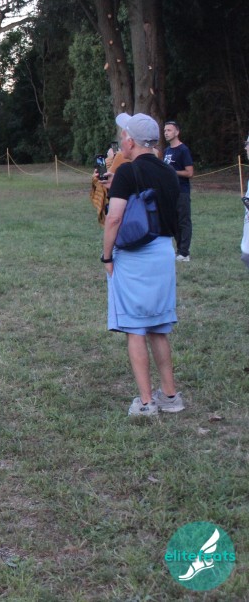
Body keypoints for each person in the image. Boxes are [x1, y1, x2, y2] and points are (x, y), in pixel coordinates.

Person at [100, 112, 184, 417]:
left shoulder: (127, 172)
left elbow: (114, 218)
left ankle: (146, 403)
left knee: (135, 329)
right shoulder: (169, 172)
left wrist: (107, 256)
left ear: (131, 141)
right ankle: (170, 396)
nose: (121, 139)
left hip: (135, 255)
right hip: (163, 252)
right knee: (158, 327)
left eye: (123, 135)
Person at [162, 121, 194, 261]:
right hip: (169, 192)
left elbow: (190, 173)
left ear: (177, 132)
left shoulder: (183, 150)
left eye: (169, 130)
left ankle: (185, 253)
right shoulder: (166, 151)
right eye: (165, 130)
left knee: (183, 221)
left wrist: (173, 172)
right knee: (173, 221)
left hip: (182, 191)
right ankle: (179, 250)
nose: (166, 133)